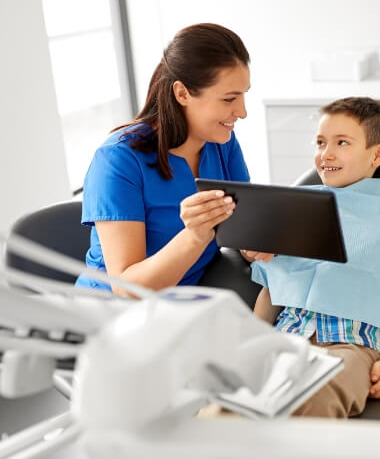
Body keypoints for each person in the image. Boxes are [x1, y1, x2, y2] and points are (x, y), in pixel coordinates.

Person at [251, 97, 380, 418]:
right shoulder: (295, 207)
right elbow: (273, 288)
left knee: (313, 403)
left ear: (377, 154)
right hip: (287, 336)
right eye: (321, 142)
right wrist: (250, 341)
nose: (326, 153)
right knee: (231, 400)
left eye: (342, 143)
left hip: (352, 345)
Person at [76, 23, 268, 293]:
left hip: (188, 304)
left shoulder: (221, 143)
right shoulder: (118, 160)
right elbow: (126, 290)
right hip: (111, 314)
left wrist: (256, 245)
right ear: (182, 93)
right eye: (228, 99)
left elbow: (242, 230)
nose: (242, 112)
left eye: (243, 95)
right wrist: (194, 237)